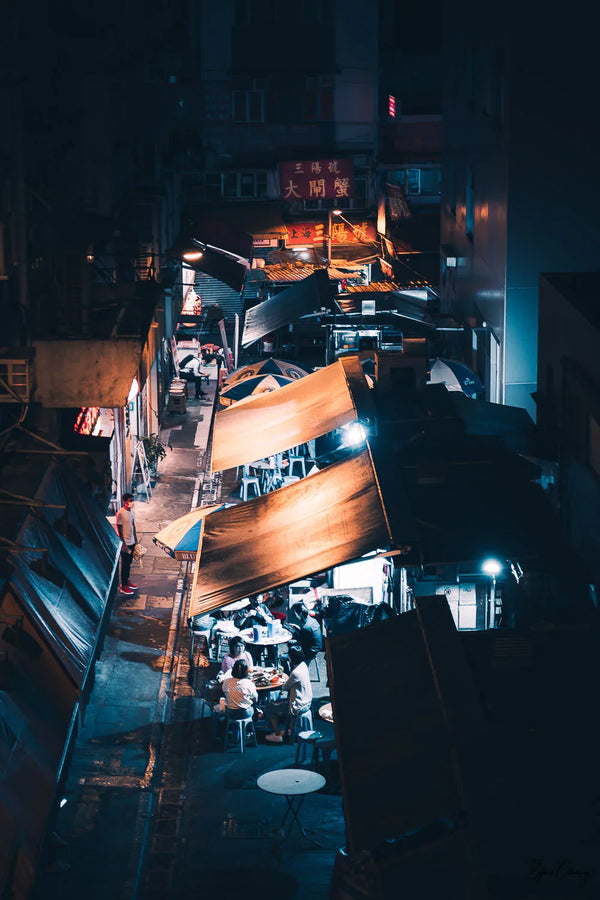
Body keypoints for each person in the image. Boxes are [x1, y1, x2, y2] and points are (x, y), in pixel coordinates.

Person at [265, 643, 312, 743]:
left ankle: (277, 735)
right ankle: (290, 729)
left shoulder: (296, 673)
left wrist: (284, 677)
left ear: (291, 657)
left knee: (269, 707)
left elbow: (285, 687)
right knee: (281, 701)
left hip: (298, 706)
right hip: (307, 702)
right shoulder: (304, 665)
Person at [116, 493, 138, 595]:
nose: (131, 503)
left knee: (129, 563)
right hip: (126, 543)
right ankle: (123, 585)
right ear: (125, 501)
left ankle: (127, 581)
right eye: (130, 500)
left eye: (132, 500)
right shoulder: (120, 513)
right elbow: (119, 529)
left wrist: (136, 540)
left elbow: (133, 526)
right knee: (124, 564)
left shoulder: (132, 513)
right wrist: (124, 544)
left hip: (132, 541)